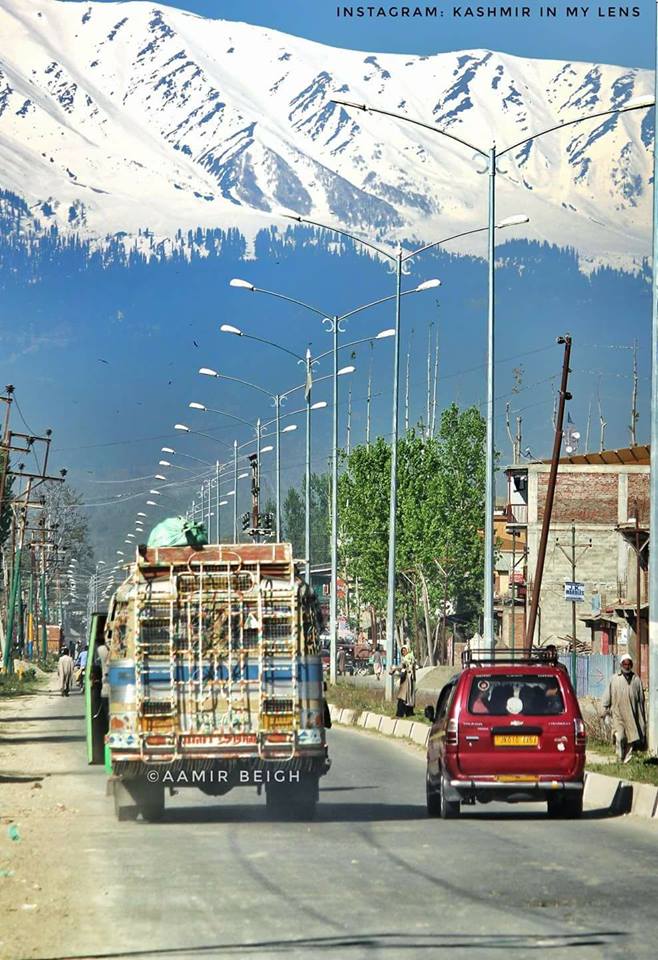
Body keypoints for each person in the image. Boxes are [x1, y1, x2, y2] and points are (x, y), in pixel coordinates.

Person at [602, 653, 646, 763]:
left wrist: (642, 715)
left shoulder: (636, 680)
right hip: (618, 714)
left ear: (631, 665)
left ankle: (627, 759)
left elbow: (641, 700)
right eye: (624, 664)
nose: (626, 666)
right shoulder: (615, 678)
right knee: (620, 736)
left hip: (632, 714)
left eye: (628, 664)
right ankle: (619, 756)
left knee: (631, 738)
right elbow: (608, 695)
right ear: (621, 665)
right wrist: (605, 709)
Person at [389, 645, 416, 718]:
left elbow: (402, 666)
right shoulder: (409, 657)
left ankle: (399, 714)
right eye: (402, 651)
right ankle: (409, 713)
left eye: (405, 650)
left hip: (407, 680)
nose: (403, 652)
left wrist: (394, 669)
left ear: (408, 650)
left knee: (402, 697)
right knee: (407, 698)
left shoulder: (408, 657)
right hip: (406, 679)